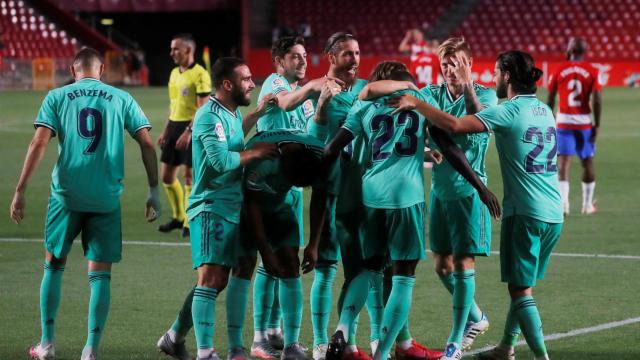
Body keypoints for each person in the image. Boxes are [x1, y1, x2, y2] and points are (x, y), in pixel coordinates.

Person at [389, 50, 563, 360]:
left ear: (507, 76)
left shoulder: (507, 111)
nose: (493, 78)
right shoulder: (544, 110)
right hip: (553, 211)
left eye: (497, 72)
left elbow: (455, 126)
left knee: (521, 293)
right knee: (523, 288)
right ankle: (506, 347)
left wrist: (418, 104)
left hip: (524, 212)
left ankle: (541, 357)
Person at [323, 68, 500, 360]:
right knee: (403, 277)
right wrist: (480, 186)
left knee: (369, 269)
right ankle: (382, 355)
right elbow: (448, 146)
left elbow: (332, 149)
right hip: (406, 198)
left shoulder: (363, 104)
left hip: (371, 197)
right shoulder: (416, 100)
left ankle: (343, 327)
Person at [10, 47, 161, 360]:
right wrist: (153, 190)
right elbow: (147, 143)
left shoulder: (56, 97)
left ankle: (47, 344)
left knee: (53, 265)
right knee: (100, 275)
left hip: (66, 195)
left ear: (72, 69)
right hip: (106, 197)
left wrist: (20, 189)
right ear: (102, 69)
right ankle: (90, 350)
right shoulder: (122, 98)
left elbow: (39, 141)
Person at [157, 57, 278, 360]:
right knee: (212, 279)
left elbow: (235, 132)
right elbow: (220, 161)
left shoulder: (231, 112)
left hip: (232, 204)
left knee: (225, 275)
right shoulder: (208, 116)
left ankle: (174, 336)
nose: (252, 84)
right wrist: (254, 153)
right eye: (247, 79)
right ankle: (205, 352)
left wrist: (258, 114)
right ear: (227, 84)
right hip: (211, 206)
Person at [251, 36, 340, 360]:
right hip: (266, 184)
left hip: (290, 186)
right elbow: (285, 103)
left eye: (304, 56)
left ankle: (275, 329)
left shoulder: (304, 99)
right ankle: (260, 337)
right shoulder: (274, 85)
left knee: (286, 260)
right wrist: (316, 85)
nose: (302, 61)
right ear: (279, 60)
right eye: (294, 56)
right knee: (268, 261)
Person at [307, 31, 377, 360]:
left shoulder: (364, 92)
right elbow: (312, 142)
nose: (354, 59)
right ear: (331, 57)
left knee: (358, 272)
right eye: (347, 53)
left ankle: (347, 342)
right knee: (325, 268)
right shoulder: (318, 93)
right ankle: (321, 342)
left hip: (358, 194)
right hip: (327, 194)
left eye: (358, 52)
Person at [236, 129, 335, 360]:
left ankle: (291, 346)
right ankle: (259, 339)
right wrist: (266, 251)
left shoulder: (317, 156)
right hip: (244, 203)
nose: (293, 183)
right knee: (247, 266)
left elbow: (320, 196)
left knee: (290, 263)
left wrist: (313, 244)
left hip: (279, 203)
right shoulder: (264, 158)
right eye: (293, 180)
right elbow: (252, 206)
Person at [158, 33, 212, 237]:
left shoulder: (200, 74)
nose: (172, 53)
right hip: (174, 126)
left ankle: (190, 222)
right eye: (171, 49)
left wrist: (189, 132)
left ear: (188, 50)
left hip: (193, 128)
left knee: (189, 176)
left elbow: (202, 108)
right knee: (167, 177)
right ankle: (178, 216)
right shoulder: (174, 73)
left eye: (176, 49)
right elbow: (173, 105)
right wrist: (166, 131)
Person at [547, 37, 602, 215]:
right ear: (584, 52)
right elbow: (598, 99)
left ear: (570, 50)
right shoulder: (592, 70)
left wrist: (548, 118)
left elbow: (550, 98)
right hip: (584, 122)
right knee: (587, 162)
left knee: (563, 163)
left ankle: (564, 206)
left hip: (563, 121)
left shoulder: (559, 69)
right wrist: (597, 125)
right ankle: (587, 206)